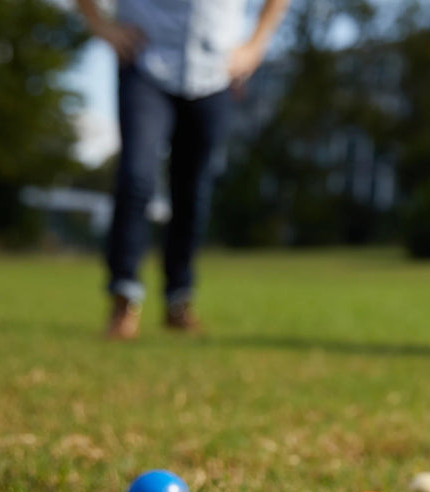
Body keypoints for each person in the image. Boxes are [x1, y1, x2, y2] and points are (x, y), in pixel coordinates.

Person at [75, 0, 290, 339]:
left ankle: (179, 298)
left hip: (214, 72)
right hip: (145, 62)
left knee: (192, 191)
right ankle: (123, 298)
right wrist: (102, 28)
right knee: (136, 177)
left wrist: (255, 46)